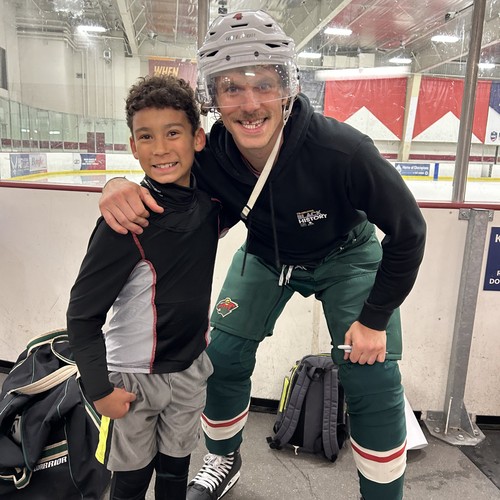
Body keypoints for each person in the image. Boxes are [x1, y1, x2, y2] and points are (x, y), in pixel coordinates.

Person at [98, 10, 427, 500]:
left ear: (287, 88)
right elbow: (167, 188)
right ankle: (223, 459)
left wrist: (375, 319)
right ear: (213, 96)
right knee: (221, 358)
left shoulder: (342, 151)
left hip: (347, 255)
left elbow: (410, 230)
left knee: (372, 376)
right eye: (231, 87)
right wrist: (116, 183)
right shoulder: (211, 158)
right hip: (268, 255)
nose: (250, 104)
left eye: (264, 85)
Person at [67, 75, 228, 500]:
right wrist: (99, 390)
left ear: (197, 138)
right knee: (132, 481)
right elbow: (82, 315)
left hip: (190, 369)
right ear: (133, 146)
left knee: (176, 474)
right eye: (146, 136)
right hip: (132, 378)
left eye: (172, 133)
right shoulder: (125, 222)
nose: (159, 148)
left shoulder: (211, 206)